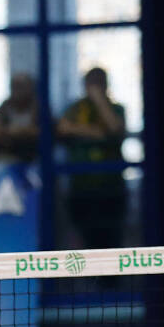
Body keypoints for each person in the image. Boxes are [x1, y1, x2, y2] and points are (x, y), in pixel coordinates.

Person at [56, 67, 128, 248]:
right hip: (81, 188)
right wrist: (98, 133)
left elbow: (114, 129)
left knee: (111, 243)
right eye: (91, 83)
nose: (95, 87)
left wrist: (99, 101)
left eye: (99, 83)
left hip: (111, 188)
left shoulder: (116, 109)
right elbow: (63, 129)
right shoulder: (75, 109)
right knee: (83, 242)